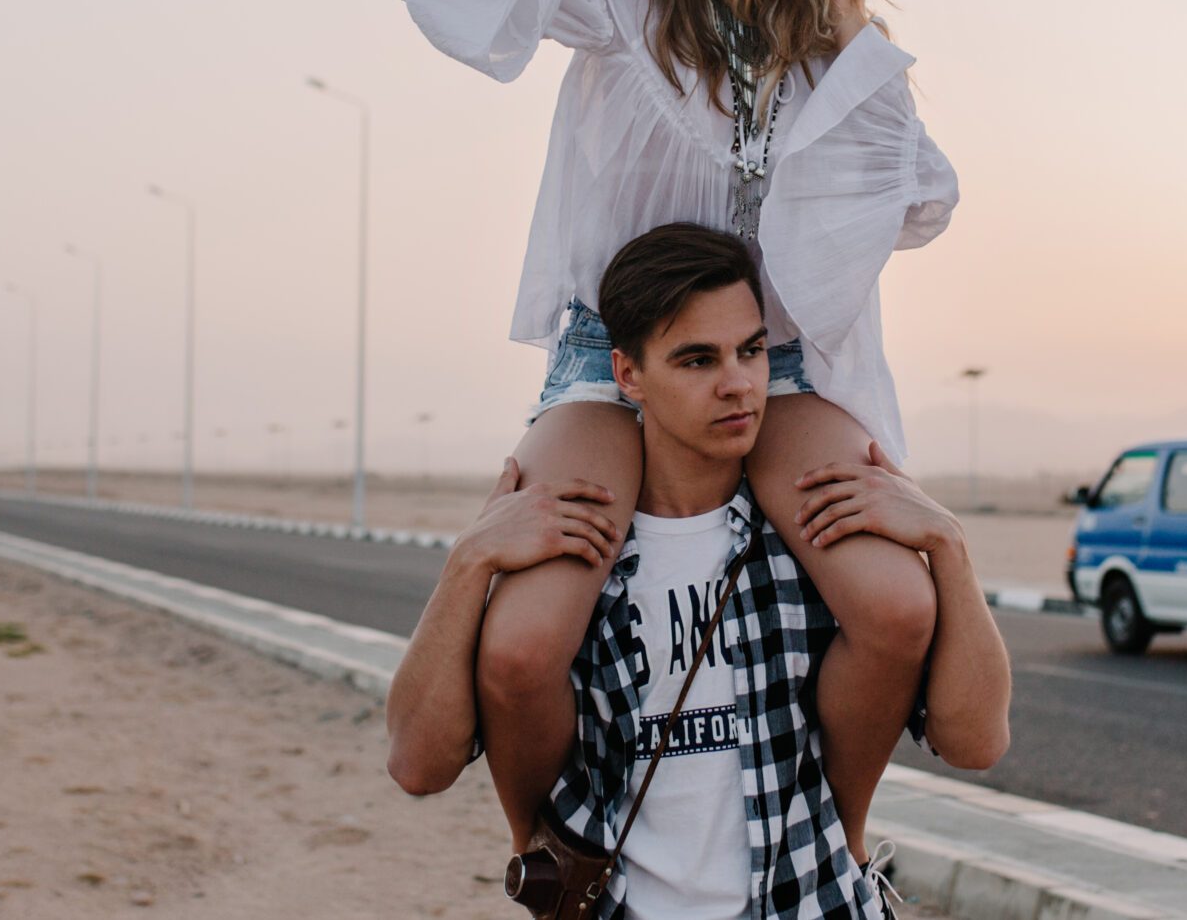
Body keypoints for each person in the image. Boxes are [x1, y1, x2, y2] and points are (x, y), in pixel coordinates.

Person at [400, 0, 959, 860]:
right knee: (523, 643)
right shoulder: (621, 5)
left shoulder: (825, 53)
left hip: (775, 369)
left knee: (897, 605)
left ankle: (842, 850)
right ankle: (553, 866)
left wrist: (846, 28)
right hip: (608, 366)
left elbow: (918, 203)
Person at [385, 224, 1012, 918]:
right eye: (697, 360)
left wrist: (948, 545)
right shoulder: (577, 560)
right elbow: (416, 765)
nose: (737, 385)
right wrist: (468, 562)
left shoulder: (814, 548)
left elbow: (978, 742)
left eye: (751, 351)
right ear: (628, 375)